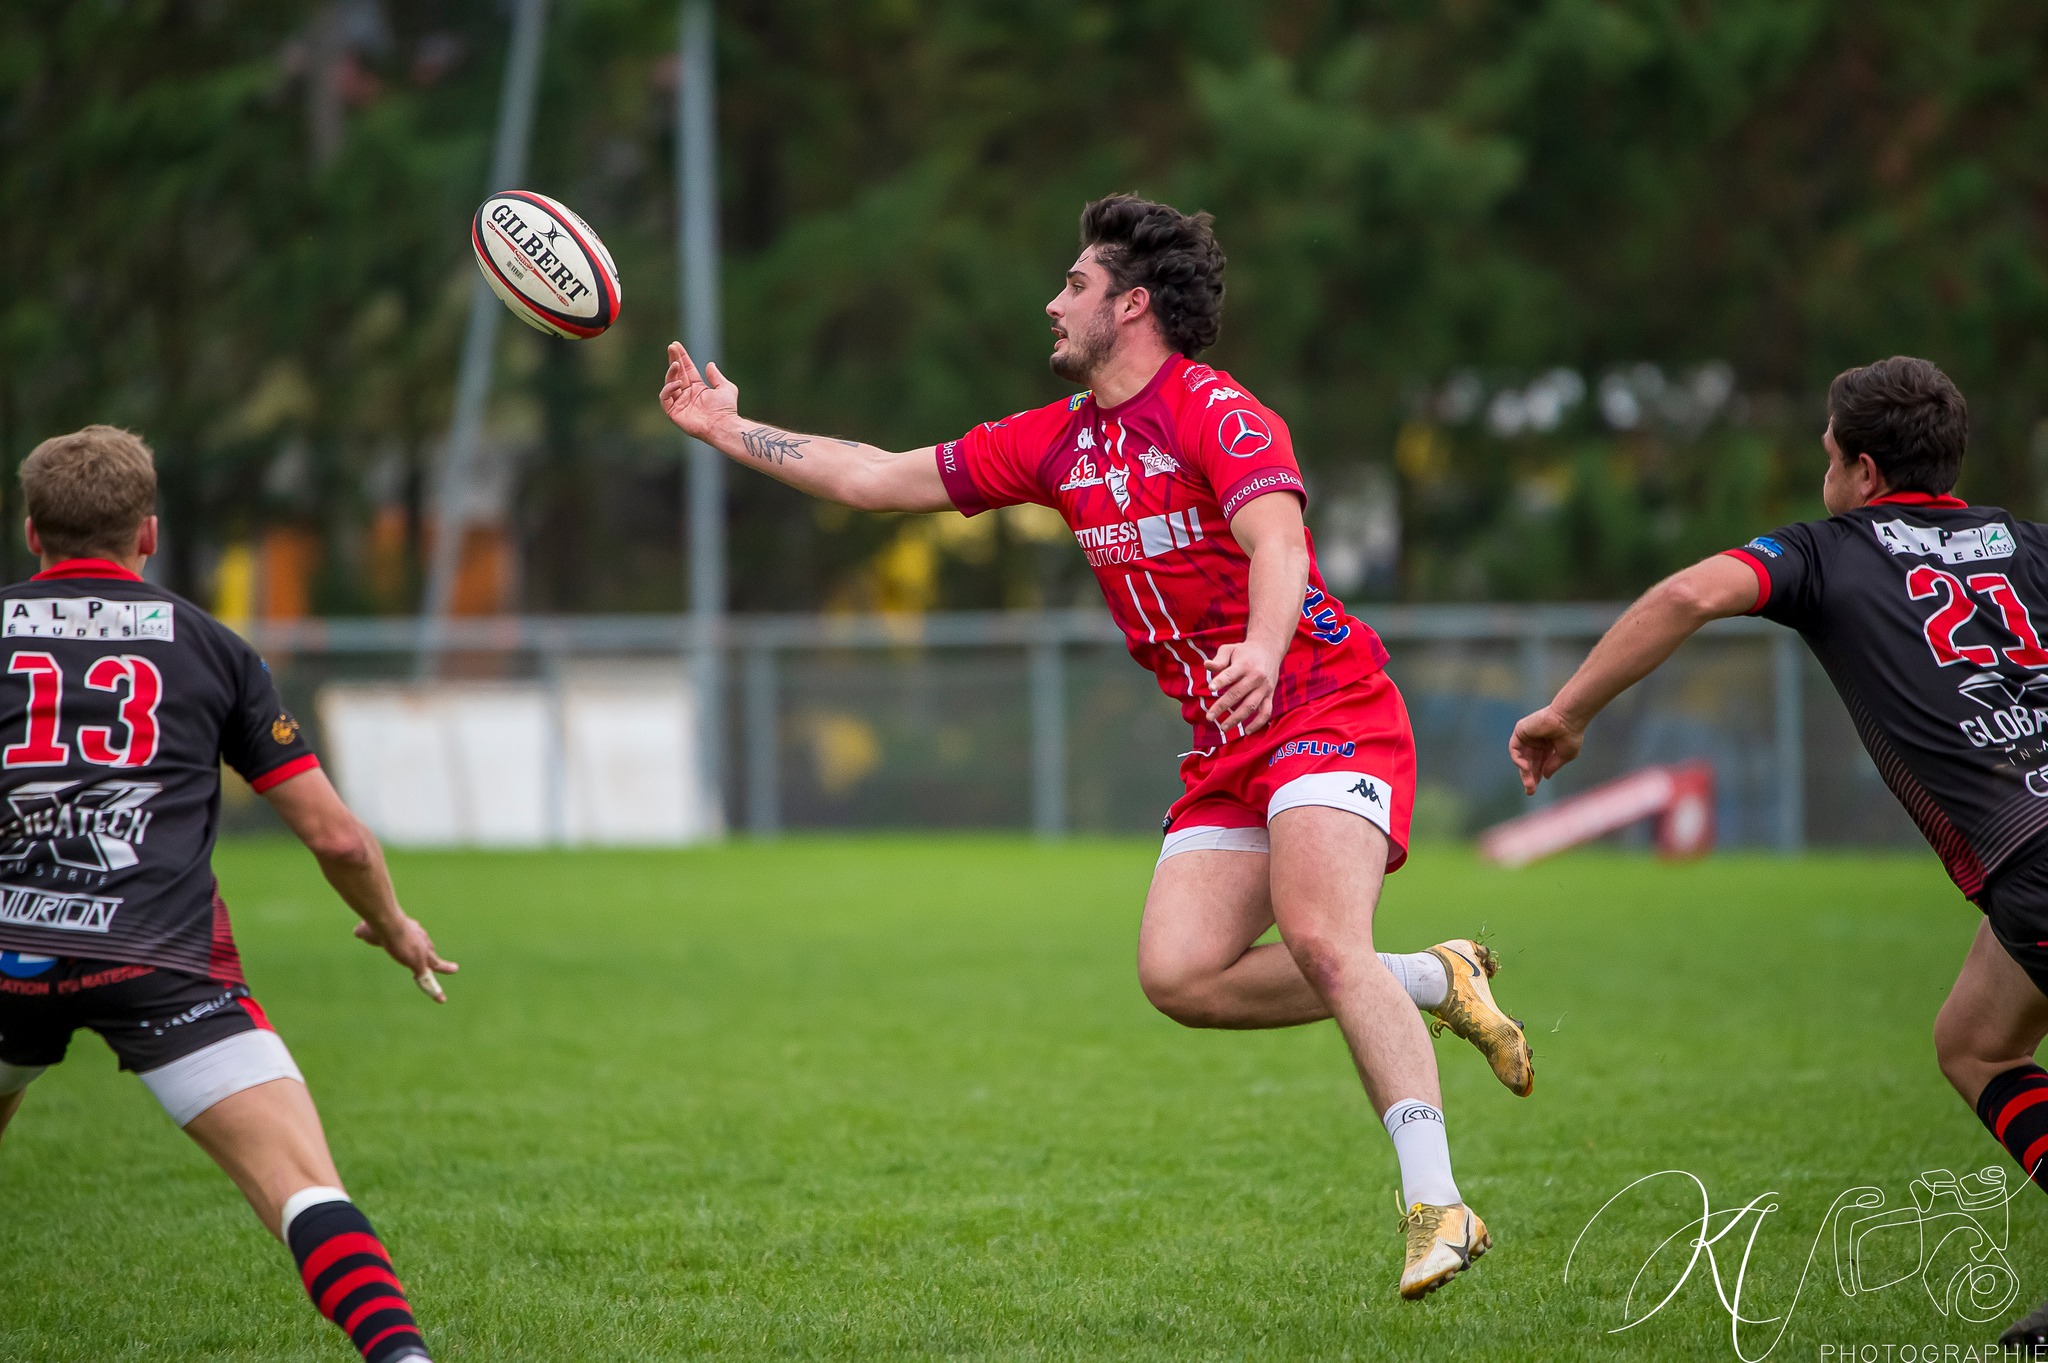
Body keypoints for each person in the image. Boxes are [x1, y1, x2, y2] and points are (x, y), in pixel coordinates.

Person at [660, 194, 1533, 1299]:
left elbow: (1278, 541)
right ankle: (1431, 975)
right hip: (1227, 742)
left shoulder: (1219, 413)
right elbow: (874, 479)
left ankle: (1437, 1202)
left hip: (1321, 703)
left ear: (1129, 305)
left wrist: (1262, 649)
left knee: (1320, 932)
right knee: (1177, 975)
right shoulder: (1057, 442)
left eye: (1071, 283)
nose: (1050, 300)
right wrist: (725, 426)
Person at [1506, 355, 2048, 1346]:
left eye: (1827, 459)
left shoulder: (1825, 549)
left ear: (1866, 473)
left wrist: (1565, 711)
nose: (1824, 478)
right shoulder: (2023, 542)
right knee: (1973, 1041)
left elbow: (1681, 596)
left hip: (2034, 862)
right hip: (2027, 865)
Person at [0, 427, 456, 1363]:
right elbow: (334, 833)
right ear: (150, 533)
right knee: (300, 1187)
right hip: (160, 961)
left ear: (32, 530)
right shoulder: (214, 648)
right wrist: (393, 923)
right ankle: (402, 1357)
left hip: (7, 948)